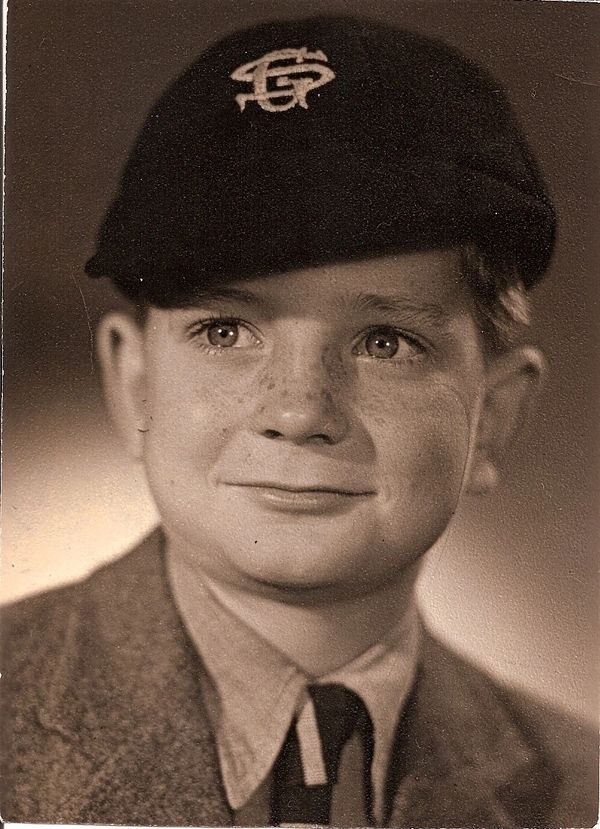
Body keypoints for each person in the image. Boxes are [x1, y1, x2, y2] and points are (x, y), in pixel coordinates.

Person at [2, 14, 597, 828]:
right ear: (133, 381)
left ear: (493, 416)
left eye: (386, 342)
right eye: (225, 331)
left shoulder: (580, 787)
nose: (299, 410)